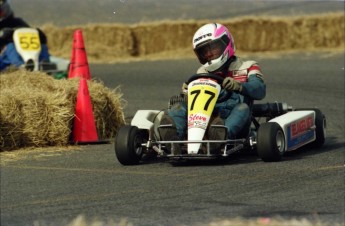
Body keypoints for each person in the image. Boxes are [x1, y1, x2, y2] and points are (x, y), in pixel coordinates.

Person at [160, 23, 266, 153]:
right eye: (204, 51)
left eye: (213, 48)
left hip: (233, 116)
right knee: (178, 107)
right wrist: (188, 92)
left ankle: (219, 139)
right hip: (205, 117)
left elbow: (259, 90)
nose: (209, 54)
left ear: (226, 43)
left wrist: (239, 86)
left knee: (243, 108)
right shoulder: (201, 72)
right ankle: (173, 140)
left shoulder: (248, 66)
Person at [0, 0, 50, 71]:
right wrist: (3, 37)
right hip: (4, 60)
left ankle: (45, 64)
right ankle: (21, 66)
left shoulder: (17, 22)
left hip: (25, 54)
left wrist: (39, 35)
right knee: (10, 46)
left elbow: (30, 33)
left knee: (41, 44)